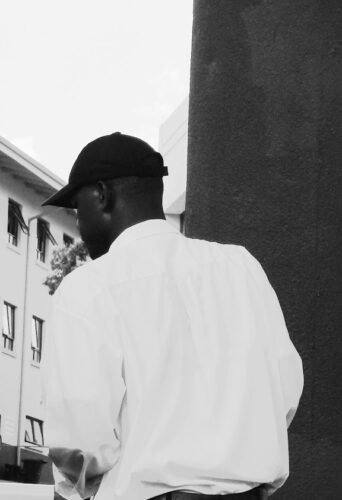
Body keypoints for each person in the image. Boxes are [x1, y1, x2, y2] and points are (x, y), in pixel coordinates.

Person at [41, 132, 304, 500]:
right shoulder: (241, 268)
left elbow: (80, 438)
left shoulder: (89, 287)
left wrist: (72, 490)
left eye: (76, 206)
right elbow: (285, 389)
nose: (78, 223)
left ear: (101, 194)